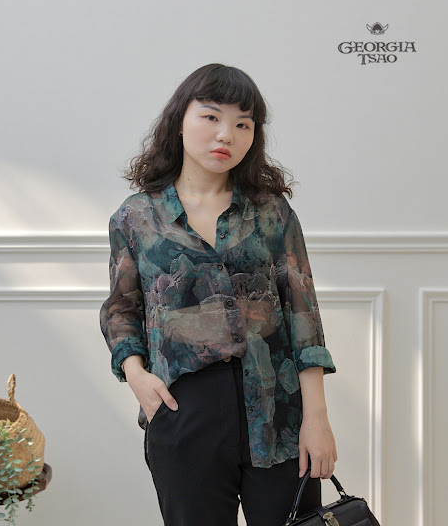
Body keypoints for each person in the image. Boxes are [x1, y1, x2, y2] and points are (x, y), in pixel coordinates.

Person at [100, 63, 338, 526]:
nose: (226, 134)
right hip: (183, 414)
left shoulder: (271, 213)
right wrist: (136, 375)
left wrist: (317, 418)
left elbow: (303, 315)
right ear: (179, 120)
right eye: (211, 116)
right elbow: (121, 309)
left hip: (278, 415)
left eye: (243, 124)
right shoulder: (137, 217)